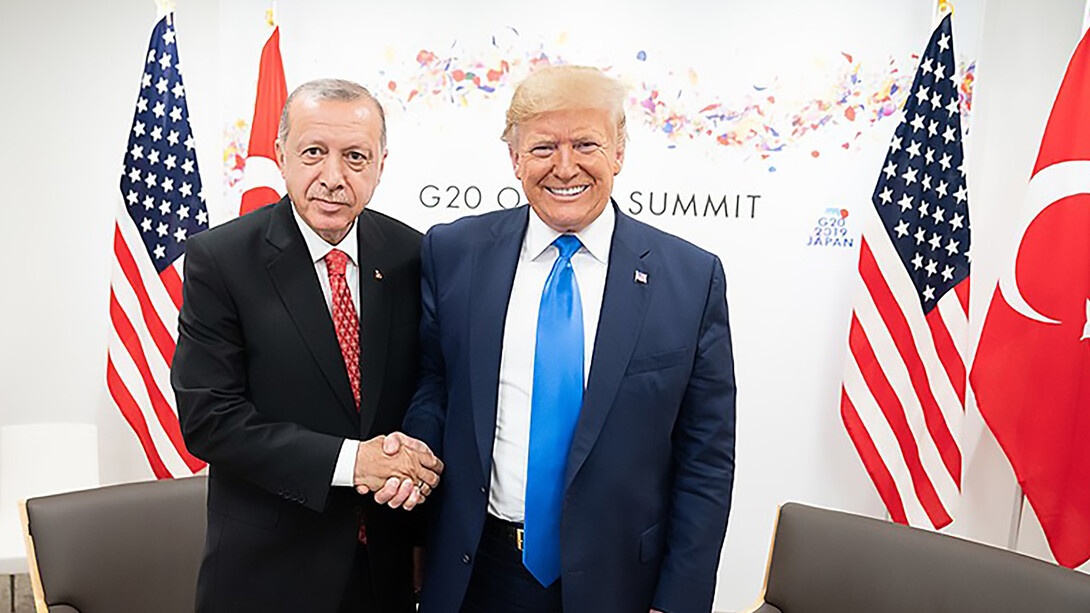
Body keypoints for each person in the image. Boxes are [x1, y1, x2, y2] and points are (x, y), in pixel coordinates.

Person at [395, 65, 736, 613]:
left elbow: (707, 459)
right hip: (478, 571)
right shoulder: (454, 252)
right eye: (543, 147)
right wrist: (415, 453)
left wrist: (678, 601)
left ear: (620, 152)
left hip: (623, 584)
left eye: (585, 144)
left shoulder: (690, 278)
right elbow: (436, 384)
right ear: (514, 159)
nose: (565, 167)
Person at [172, 78, 442, 613]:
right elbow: (209, 419)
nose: (333, 178)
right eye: (314, 152)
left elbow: (423, 386)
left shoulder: (415, 253)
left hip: (385, 575)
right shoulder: (221, 260)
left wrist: (412, 470)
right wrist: (352, 463)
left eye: (356, 157)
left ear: (382, 164)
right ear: (281, 156)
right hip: (268, 576)